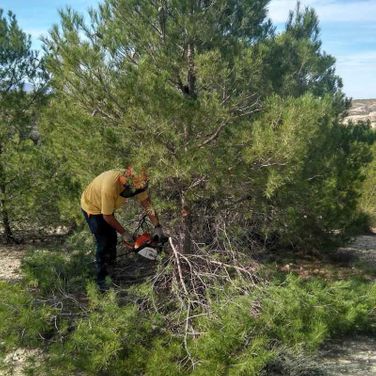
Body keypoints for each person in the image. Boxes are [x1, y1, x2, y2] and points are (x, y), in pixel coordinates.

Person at [81, 166, 164, 290]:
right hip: (92, 207)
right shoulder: (110, 186)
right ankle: (102, 282)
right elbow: (107, 216)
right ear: (126, 179)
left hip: (106, 208)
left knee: (112, 239)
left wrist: (157, 226)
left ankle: (112, 274)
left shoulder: (138, 181)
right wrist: (124, 233)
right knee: (104, 242)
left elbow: (146, 203)